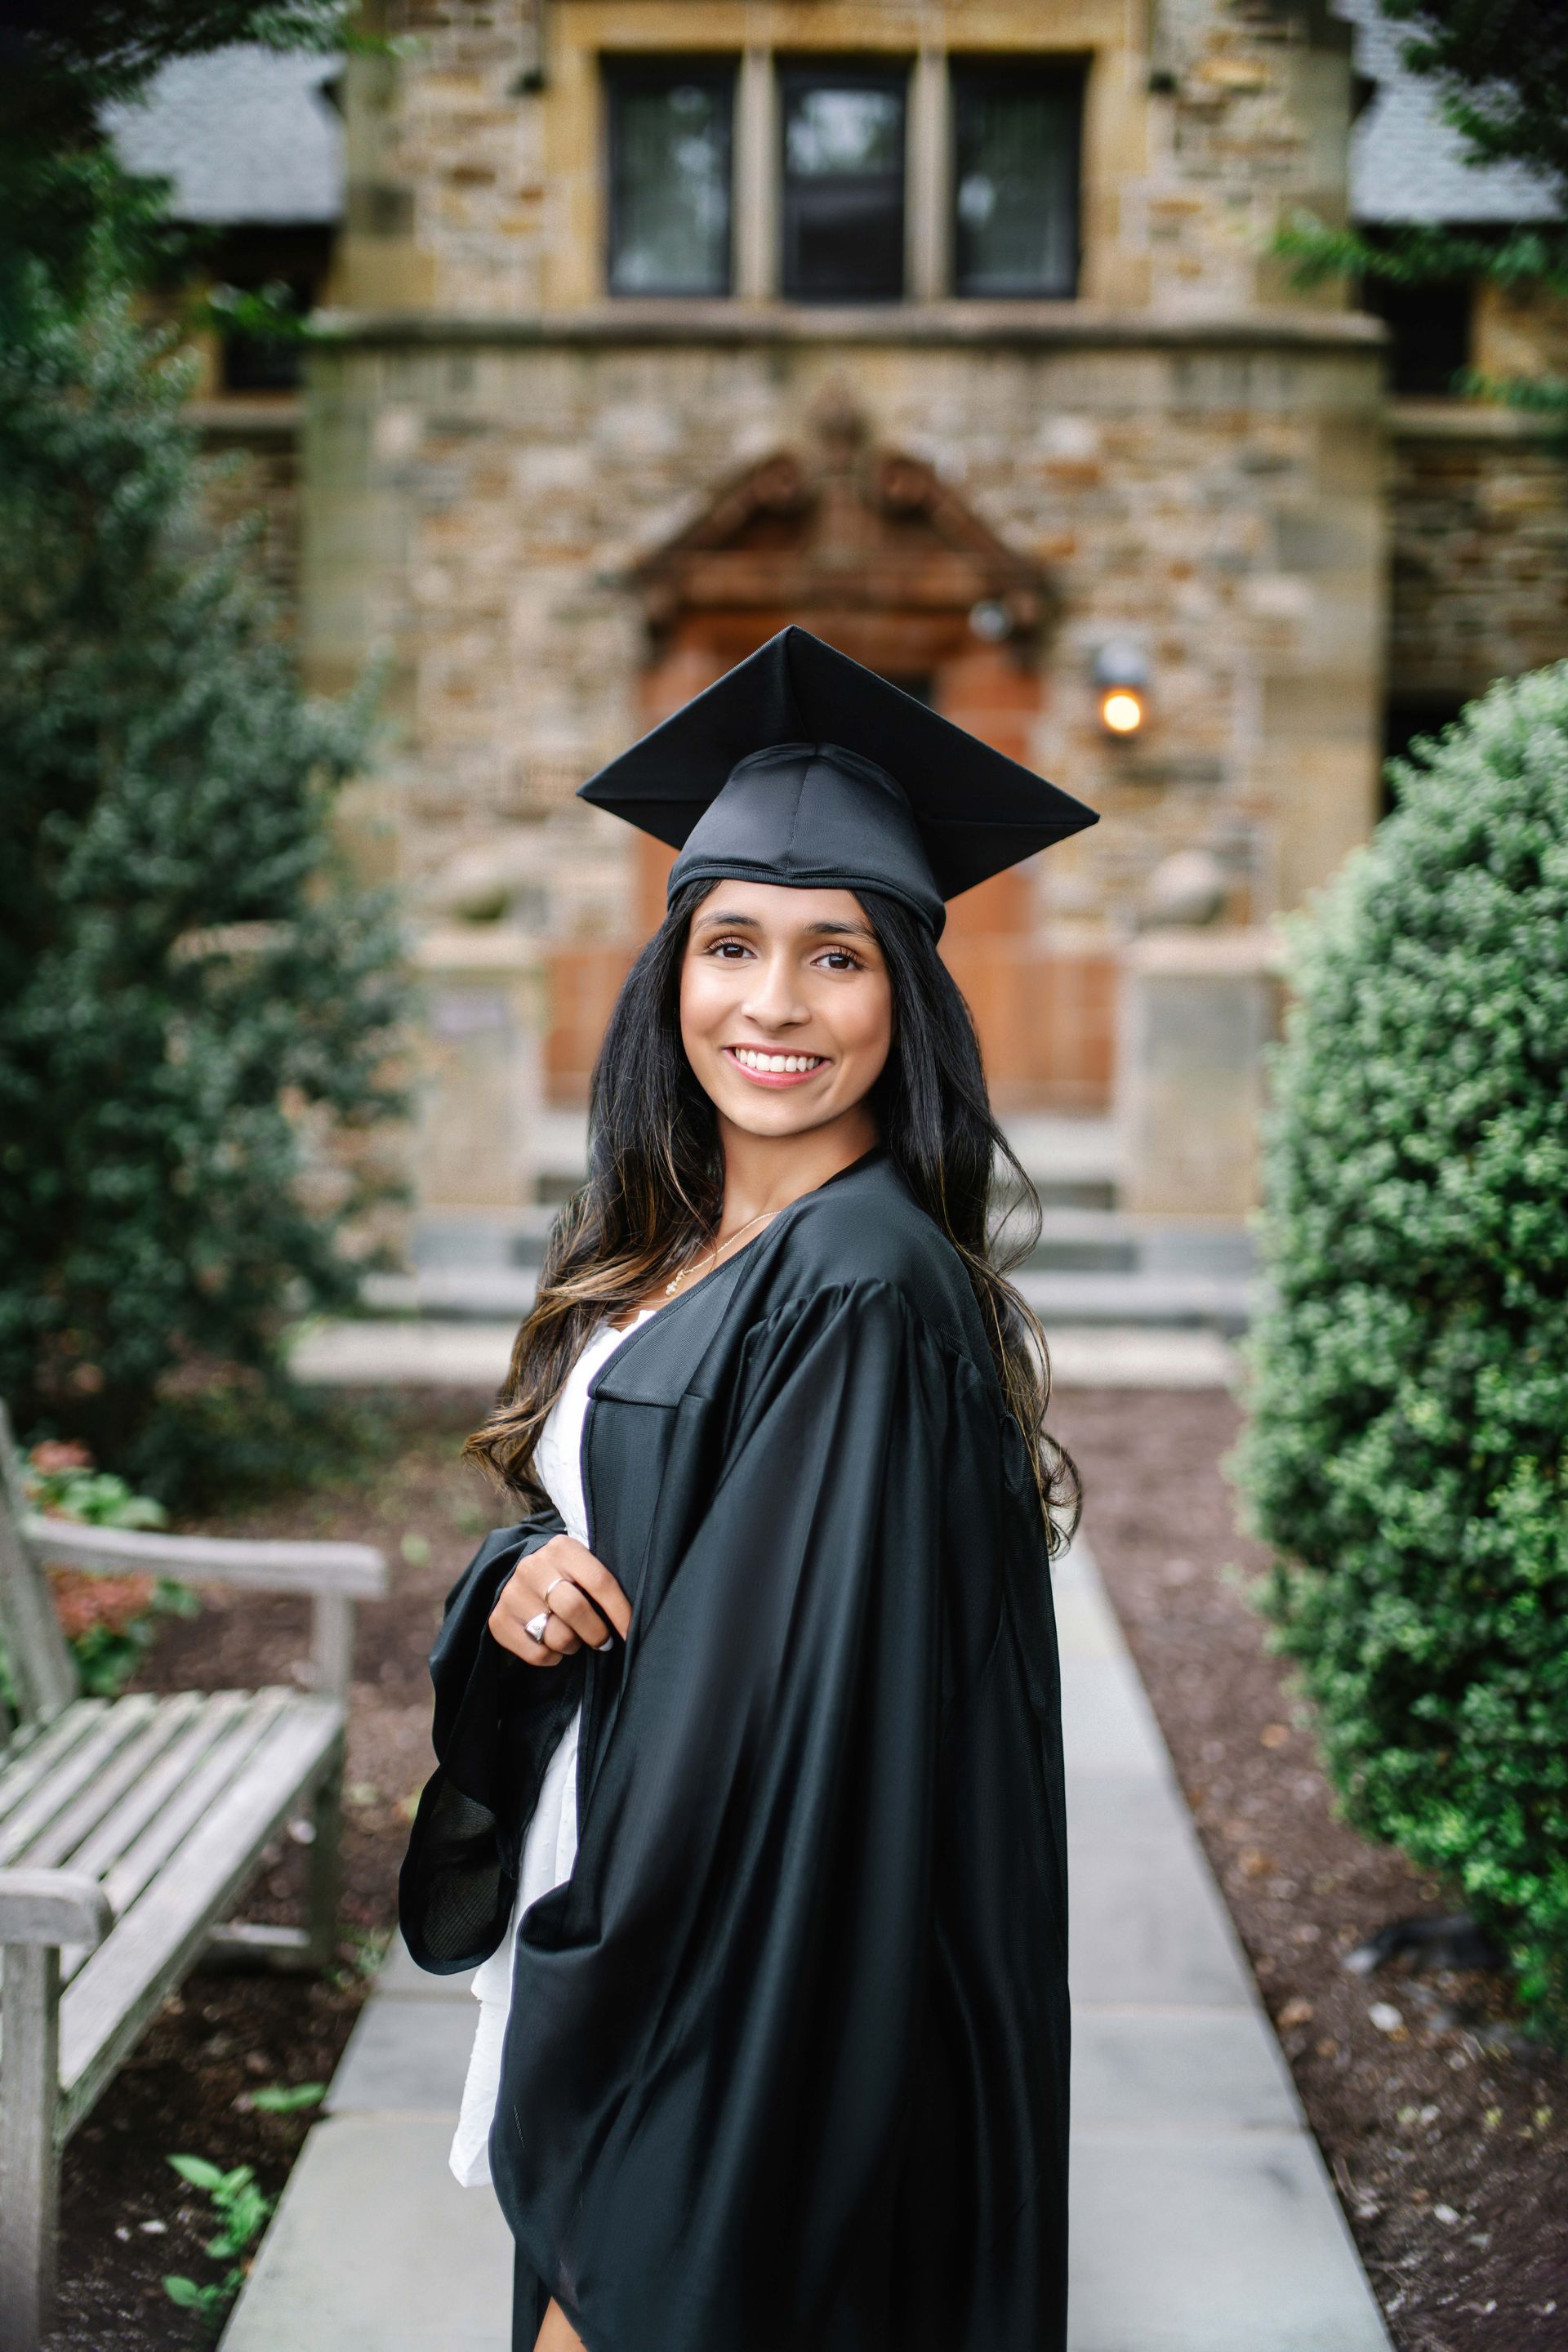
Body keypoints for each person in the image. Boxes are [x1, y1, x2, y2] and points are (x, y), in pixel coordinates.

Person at [398, 626, 1098, 2352]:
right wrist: (516, 1587)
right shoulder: (676, 1252)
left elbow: (774, 1754)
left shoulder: (860, 1288)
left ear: (905, 995)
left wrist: (639, 2099)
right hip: (651, 1930)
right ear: (673, 974)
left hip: (738, 2006)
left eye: (835, 957)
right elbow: (642, 1569)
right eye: (730, 946)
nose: (772, 1005)